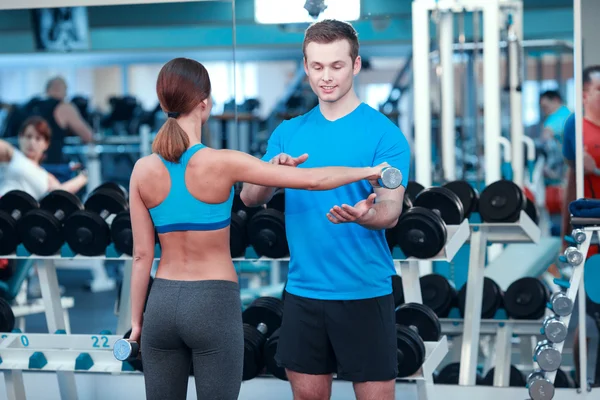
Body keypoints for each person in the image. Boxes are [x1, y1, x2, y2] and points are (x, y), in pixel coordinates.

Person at [127, 57, 392, 400]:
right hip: (211, 303)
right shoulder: (223, 162)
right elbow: (313, 180)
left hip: (160, 303)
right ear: (204, 103)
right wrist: (368, 172)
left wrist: (137, 323)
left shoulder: (142, 170)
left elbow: (141, 255)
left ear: (164, 104)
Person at [241, 19, 410, 400]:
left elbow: (391, 211)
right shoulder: (288, 132)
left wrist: (368, 216)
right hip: (304, 291)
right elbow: (251, 198)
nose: (326, 77)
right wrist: (273, 174)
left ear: (356, 65)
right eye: (317, 67)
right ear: (306, 66)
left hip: (365, 291)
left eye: (336, 65)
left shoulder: (385, 134)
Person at [561, 65, 600, 388]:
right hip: (588, 234)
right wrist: (565, 236)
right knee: (585, 317)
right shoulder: (576, 125)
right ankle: (580, 381)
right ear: (586, 93)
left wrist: (596, 169)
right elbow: (572, 181)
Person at [0, 115, 88, 199]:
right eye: (28, 136)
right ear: (20, 138)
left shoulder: (47, 177)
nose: (32, 142)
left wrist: (83, 178)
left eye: (38, 138)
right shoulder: (12, 156)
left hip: (26, 212)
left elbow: (58, 194)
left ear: (46, 144)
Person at [30, 76, 94, 164]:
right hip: (52, 166)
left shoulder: (31, 106)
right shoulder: (64, 107)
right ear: (62, 89)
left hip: (29, 165)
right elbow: (87, 136)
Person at [539, 90, 571, 182]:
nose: (545, 111)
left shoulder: (555, 117)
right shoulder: (569, 112)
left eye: (546, 107)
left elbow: (545, 136)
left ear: (556, 100)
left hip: (565, 164)